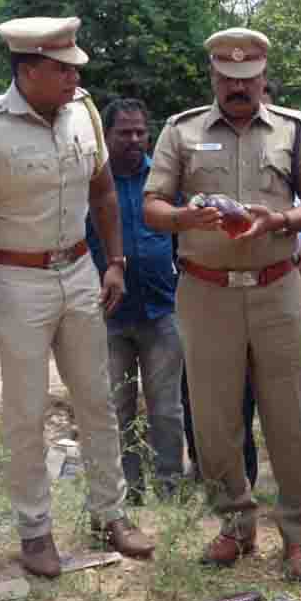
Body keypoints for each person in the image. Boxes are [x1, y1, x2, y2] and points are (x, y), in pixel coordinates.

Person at [0, 16, 154, 578]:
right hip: (16, 281)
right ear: (27, 68)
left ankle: (110, 512)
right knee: (26, 411)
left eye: (74, 67)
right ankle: (35, 531)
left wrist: (115, 261)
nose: (72, 76)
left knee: (97, 400)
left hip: (80, 271)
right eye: (61, 68)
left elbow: (103, 192)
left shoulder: (83, 113)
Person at [143, 27, 301, 581]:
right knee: (214, 416)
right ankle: (235, 523)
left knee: (291, 415)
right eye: (227, 78)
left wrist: (283, 220)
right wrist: (183, 218)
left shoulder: (294, 132)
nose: (237, 87)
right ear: (214, 77)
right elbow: (153, 205)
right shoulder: (181, 132)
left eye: (247, 79)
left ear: (263, 77)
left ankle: (299, 534)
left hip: (276, 286)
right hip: (205, 292)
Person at [85, 97, 186, 505]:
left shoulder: (162, 182)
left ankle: (170, 488)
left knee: (166, 408)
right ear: (106, 136)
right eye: (124, 132)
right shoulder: (92, 183)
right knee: (117, 407)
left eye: (141, 132)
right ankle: (129, 490)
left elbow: (183, 234)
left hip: (162, 310)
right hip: (107, 316)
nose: (134, 139)